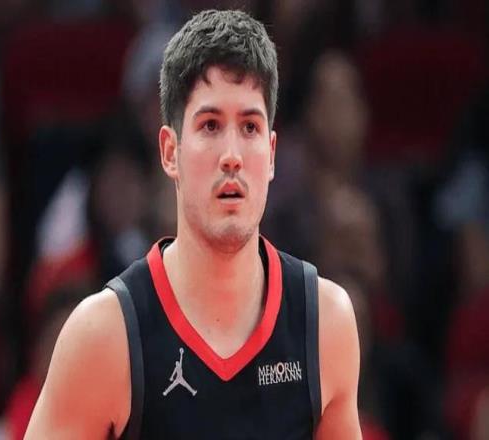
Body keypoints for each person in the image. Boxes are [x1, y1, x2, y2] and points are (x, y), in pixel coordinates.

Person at [24, 9, 361, 439]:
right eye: (210, 125)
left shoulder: (325, 323)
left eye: (250, 127)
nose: (232, 155)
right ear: (170, 151)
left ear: (272, 154)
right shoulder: (104, 334)